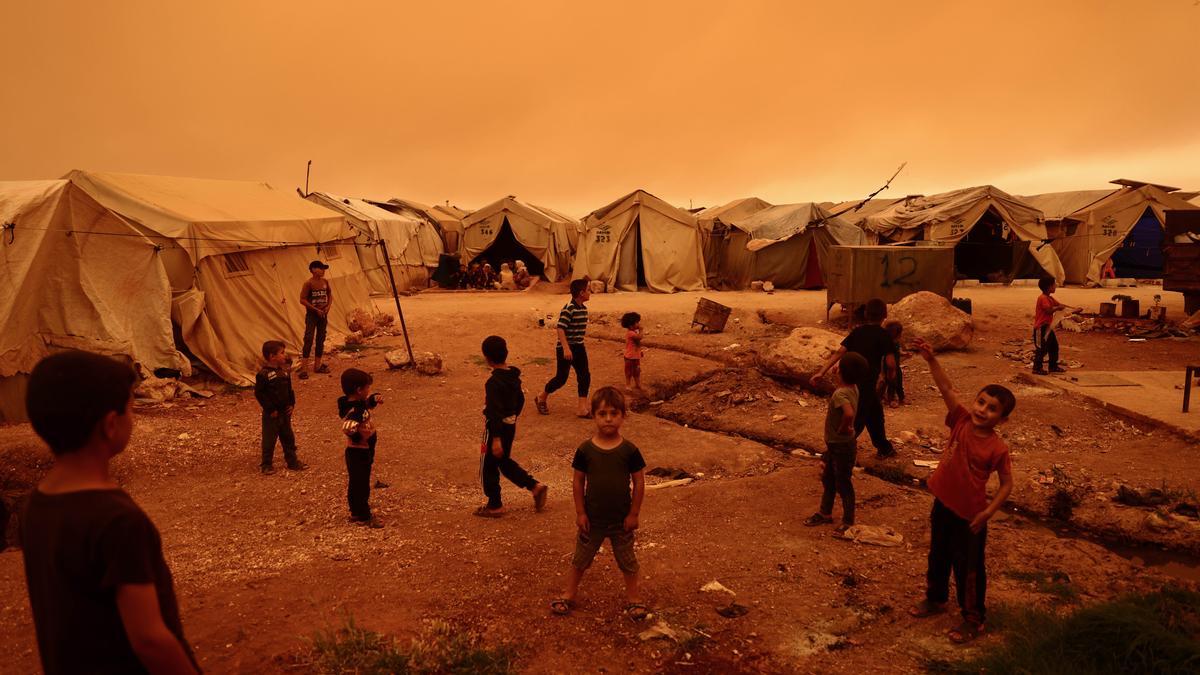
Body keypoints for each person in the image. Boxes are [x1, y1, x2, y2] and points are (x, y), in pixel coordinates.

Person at [19, 351, 199, 674]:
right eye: (130, 408)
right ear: (110, 425)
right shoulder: (119, 523)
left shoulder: (37, 504)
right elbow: (149, 639)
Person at [908, 338, 1015, 644]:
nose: (982, 410)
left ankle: (973, 618)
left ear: (1002, 419)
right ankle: (936, 598)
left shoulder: (997, 447)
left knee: (969, 568)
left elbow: (1007, 484)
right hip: (943, 504)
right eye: (981, 402)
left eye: (992, 408)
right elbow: (946, 389)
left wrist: (987, 512)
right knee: (937, 555)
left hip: (970, 517)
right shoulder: (961, 420)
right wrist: (931, 360)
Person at [550, 387, 648, 621]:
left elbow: (639, 482)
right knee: (581, 559)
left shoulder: (630, 450)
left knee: (627, 560)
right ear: (593, 415)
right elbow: (577, 483)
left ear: (623, 416)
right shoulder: (585, 450)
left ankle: (634, 600)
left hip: (621, 519)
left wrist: (634, 514)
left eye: (614, 413)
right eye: (602, 413)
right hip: (591, 519)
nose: (608, 419)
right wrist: (580, 512)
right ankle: (569, 594)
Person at [811, 298, 897, 458]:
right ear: (885, 315)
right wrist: (891, 377)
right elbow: (891, 363)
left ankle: (884, 447)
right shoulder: (884, 335)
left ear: (865, 314)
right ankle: (834, 452)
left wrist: (821, 372)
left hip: (853, 379)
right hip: (867, 383)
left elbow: (839, 352)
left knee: (875, 413)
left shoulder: (857, 332)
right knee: (858, 419)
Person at [474, 336, 549, 518]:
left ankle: (495, 505)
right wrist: (513, 416)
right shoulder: (513, 376)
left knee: (488, 466)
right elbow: (521, 400)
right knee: (504, 462)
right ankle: (534, 486)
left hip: (496, 429)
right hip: (510, 425)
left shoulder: (493, 383)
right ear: (505, 353)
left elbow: (493, 411)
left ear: (487, 358)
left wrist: (496, 438)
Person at [804, 352, 868, 534]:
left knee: (842, 483)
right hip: (838, 445)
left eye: (839, 366)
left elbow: (848, 413)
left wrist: (844, 427)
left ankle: (848, 521)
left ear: (841, 372)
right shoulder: (853, 387)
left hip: (841, 445)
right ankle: (825, 513)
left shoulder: (840, 394)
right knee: (829, 479)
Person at [536, 278, 592, 418]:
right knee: (561, 378)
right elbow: (560, 328)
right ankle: (541, 397)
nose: (590, 293)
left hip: (579, 346)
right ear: (581, 293)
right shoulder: (569, 308)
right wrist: (566, 349)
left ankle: (582, 408)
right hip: (566, 347)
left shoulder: (583, 309)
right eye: (588, 290)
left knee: (584, 376)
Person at [338, 368, 384, 528]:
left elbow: (365, 407)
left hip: (361, 450)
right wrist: (359, 439)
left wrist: (373, 400)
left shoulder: (355, 404)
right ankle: (364, 516)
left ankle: (355, 511)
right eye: (367, 389)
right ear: (359, 390)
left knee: (356, 482)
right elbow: (348, 427)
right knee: (361, 484)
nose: (368, 391)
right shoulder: (354, 411)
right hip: (359, 451)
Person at [255, 340, 307, 475]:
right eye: (282, 353)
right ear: (272, 356)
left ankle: (292, 461)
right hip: (272, 414)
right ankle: (266, 464)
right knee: (269, 439)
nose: (285, 355)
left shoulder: (284, 372)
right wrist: (270, 409)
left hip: (285, 412)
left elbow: (289, 390)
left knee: (288, 437)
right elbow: (260, 394)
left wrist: (292, 404)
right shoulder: (263, 375)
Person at [1033, 278, 1079, 375]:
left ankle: (1053, 366)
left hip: (1047, 327)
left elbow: (1061, 305)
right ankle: (1037, 368)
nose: (1055, 286)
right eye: (1054, 284)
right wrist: (1058, 308)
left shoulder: (1050, 298)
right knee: (1041, 348)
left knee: (1054, 346)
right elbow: (1048, 310)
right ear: (1049, 287)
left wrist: (1074, 309)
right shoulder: (1043, 298)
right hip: (1041, 327)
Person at [299, 260, 333, 380]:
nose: (323, 271)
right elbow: (302, 299)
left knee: (321, 338)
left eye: (324, 268)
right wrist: (315, 309)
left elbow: (330, 295)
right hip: (312, 315)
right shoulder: (308, 283)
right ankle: (304, 369)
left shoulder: (325, 282)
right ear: (313, 269)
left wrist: (328, 307)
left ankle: (317, 366)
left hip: (323, 314)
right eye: (321, 268)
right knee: (308, 338)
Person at [881, 320, 906, 407]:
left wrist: (904, 354)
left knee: (899, 381)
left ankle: (901, 397)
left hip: (896, 366)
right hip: (889, 366)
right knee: (891, 382)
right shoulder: (888, 343)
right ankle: (890, 399)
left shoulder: (896, 343)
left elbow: (898, 352)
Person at [621, 312, 645, 393]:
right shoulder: (630, 333)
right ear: (631, 325)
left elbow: (638, 344)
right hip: (630, 357)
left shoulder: (634, 332)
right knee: (629, 371)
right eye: (637, 322)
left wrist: (640, 351)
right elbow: (639, 338)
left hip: (635, 356)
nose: (638, 324)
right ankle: (628, 384)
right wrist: (641, 330)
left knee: (637, 370)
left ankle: (637, 383)